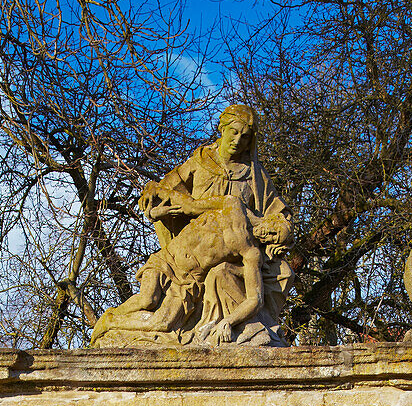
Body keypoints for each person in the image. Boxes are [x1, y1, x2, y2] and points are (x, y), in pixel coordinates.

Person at [91, 104, 294, 347]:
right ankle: (107, 323)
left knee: (281, 272)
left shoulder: (255, 177)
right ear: (222, 128)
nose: (238, 140)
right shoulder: (202, 163)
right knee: (147, 300)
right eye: (234, 132)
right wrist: (154, 195)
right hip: (182, 252)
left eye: (245, 136)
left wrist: (279, 231)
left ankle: (229, 327)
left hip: (205, 270)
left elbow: (280, 216)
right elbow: (167, 189)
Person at [90, 197, 291, 347]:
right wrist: (163, 211)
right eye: (274, 229)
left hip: (188, 282)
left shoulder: (251, 254)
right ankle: (109, 318)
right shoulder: (233, 205)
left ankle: (111, 323)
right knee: (147, 300)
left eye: (274, 238)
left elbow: (255, 300)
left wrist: (229, 321)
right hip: (169, 259)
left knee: (163, 323)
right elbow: (191, 206)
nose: (269, 235)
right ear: (270, 219)